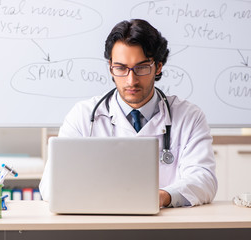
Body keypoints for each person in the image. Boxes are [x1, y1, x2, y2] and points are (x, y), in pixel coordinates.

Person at [39, 19, 217, 208]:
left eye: (141, 67)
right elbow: (51, 186)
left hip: (166, 225)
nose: (131, 80)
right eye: (121, 68)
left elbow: (204, 179)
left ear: (158, 66)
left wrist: (164, 196)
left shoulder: (189, 116)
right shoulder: (83, 116)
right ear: (110, 68)